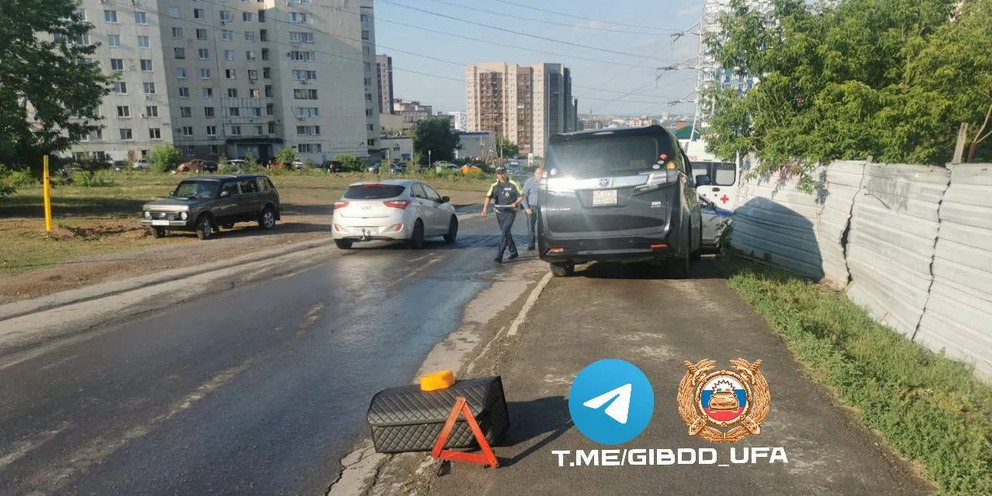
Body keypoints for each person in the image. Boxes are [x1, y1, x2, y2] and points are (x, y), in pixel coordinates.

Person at [482, 166, 523, 263]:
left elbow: (521, 195)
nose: (501, 175)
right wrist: (484, 209)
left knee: (504, 232)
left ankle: (499, 255)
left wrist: (515, 203)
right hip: (499, 212)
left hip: (511, 212)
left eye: (502, 173)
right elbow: (488, 197)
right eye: (499, 173)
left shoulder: (514, 184)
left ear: (506, 172)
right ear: (497, 174)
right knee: (506, 232)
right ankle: (513, 252)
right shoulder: (494, 186)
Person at [521, 167, 544, 250]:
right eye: (538, 173)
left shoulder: (545, 182)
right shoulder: (530, 181)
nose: (539, 175)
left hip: (543, 208)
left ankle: (543, 245)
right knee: (531, 227)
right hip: (531, 207)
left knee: (543, 227)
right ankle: (531, 245)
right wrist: (527, 208)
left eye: (541, 173)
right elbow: (523, 195)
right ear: (535, 173)